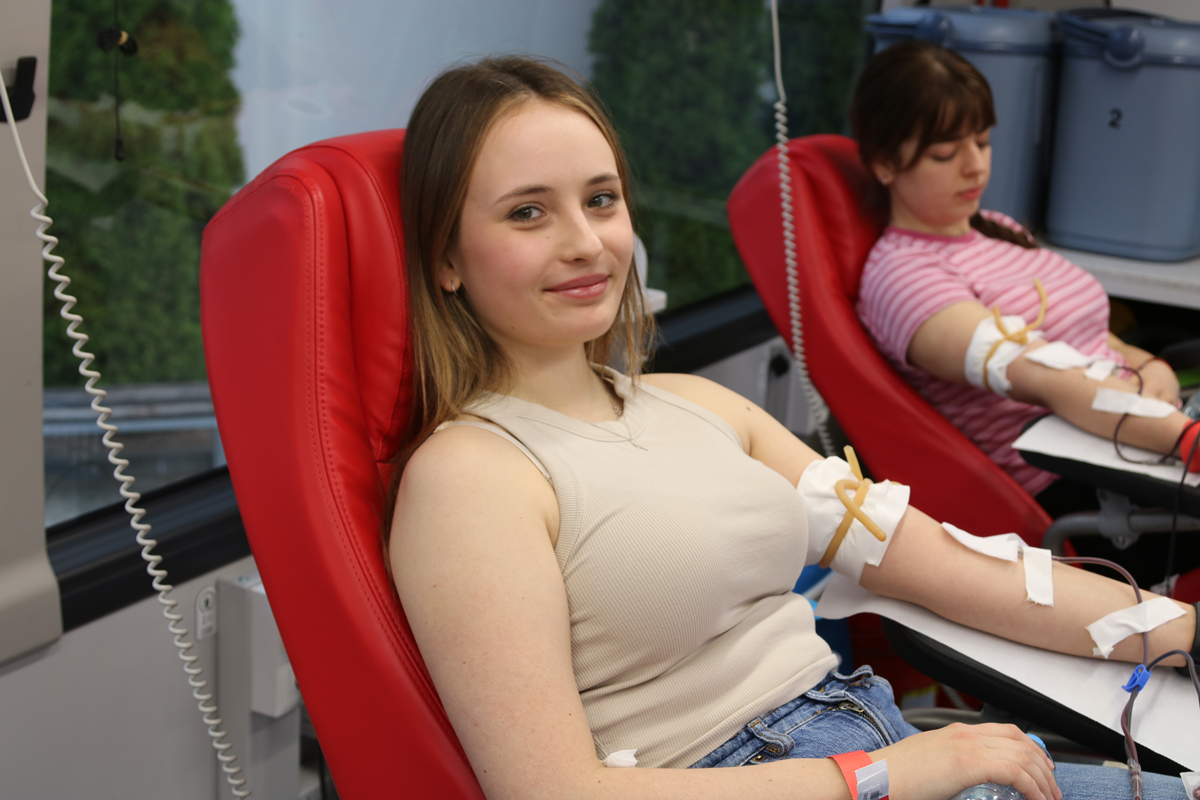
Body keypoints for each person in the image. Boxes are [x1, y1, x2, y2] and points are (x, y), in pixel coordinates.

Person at [386, 55, 1195, 800]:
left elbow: (941, 566)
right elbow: (555, 792)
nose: (586, 242)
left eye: (601, 200)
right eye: (528, 212)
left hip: (874, 737)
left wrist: (1182, 633)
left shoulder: (702, 406)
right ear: (446, 257)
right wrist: (879, 775)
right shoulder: (472, 475)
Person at [851, 41, 1195, 517]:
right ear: (886, 162)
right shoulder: (904, 276)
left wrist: (1152, 367)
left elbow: (1094, 337)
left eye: (982, 142)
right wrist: (1186, 440)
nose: (975, 166)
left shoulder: (998, 228)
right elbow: (1049, 376)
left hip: (1137, 430)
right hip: (1077, 483)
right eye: (945, 153)